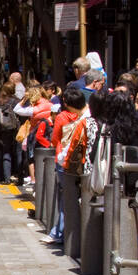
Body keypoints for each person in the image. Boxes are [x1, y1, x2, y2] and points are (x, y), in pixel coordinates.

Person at [43, 85, 89, 243]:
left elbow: (55, 138)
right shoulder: (85, 116)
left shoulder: (62, 117)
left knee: (65, 198)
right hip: (80, 162)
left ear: (67, 103)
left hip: (65, 159)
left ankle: (60, 232)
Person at [0, 82, 19, 183]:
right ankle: (8, 177)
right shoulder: (16, 101)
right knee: (8, 153)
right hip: (11, 130)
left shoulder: (0, 101)